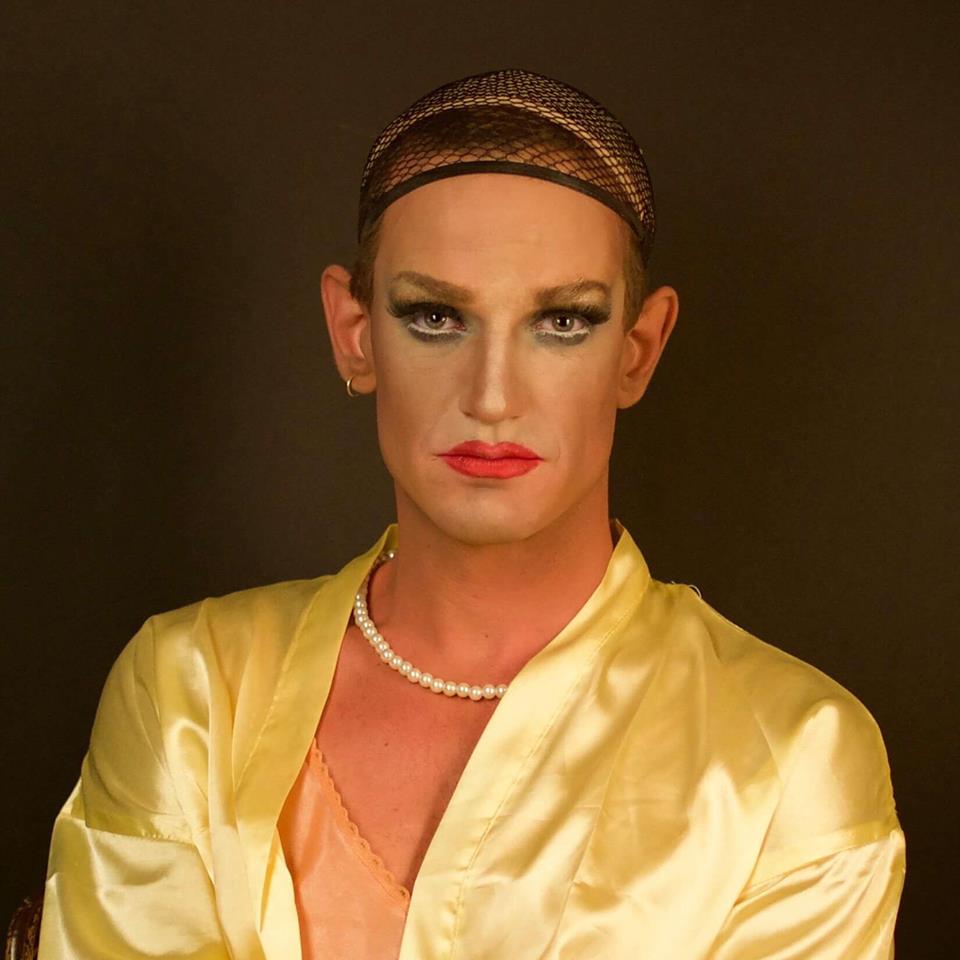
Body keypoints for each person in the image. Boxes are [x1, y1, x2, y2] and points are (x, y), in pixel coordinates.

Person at [36, 69, 905, 959]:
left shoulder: (788, 758)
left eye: (562, 322)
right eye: (435, 316)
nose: (492, 396)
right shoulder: (190, 692)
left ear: (637, 350)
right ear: (354, 332)